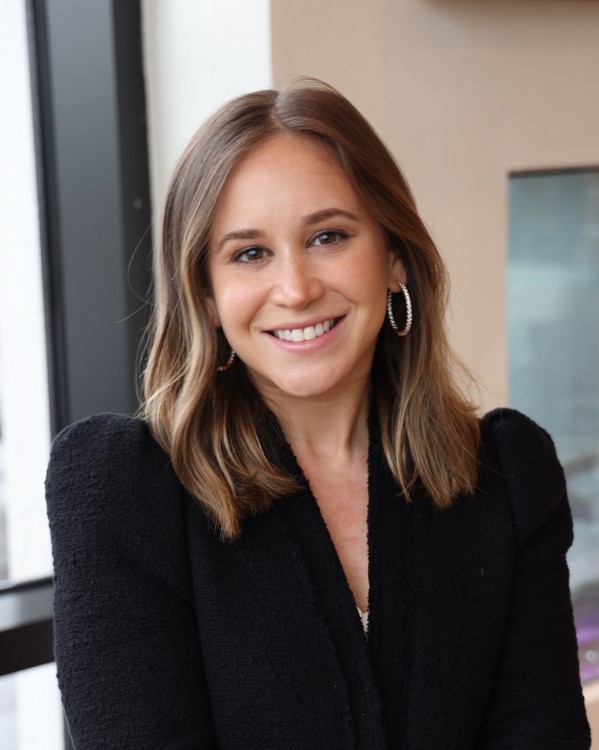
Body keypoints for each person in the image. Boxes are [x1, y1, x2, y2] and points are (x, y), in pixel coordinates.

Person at [46, 79, 591, 749]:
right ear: (206, 296)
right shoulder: (123, 491)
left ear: (394, 258)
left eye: (328, 237)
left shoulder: (506, 477)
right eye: (249, 254)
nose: (296, 289)